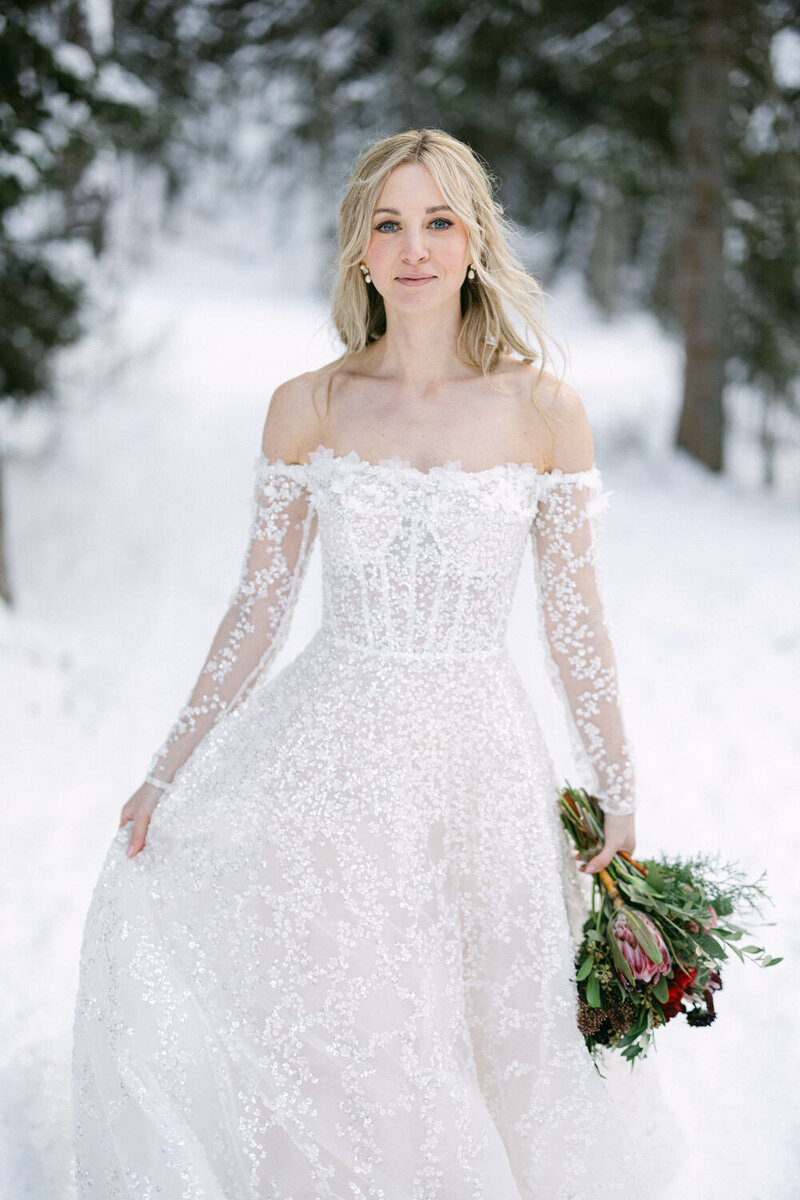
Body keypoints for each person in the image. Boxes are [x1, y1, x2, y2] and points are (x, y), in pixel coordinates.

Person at [71, 128, 660, 1198]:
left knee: (481, 1021)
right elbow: (257, 608)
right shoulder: (310, 405)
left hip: (479, 761)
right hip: (332, 755)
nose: (413, 246)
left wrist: (618, 790)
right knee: (359, 1022)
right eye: (388, 222)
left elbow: (576, 622)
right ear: (357, 248)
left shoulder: (540, 410)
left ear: (475, 239)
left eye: (438, 220)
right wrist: (168, 771)